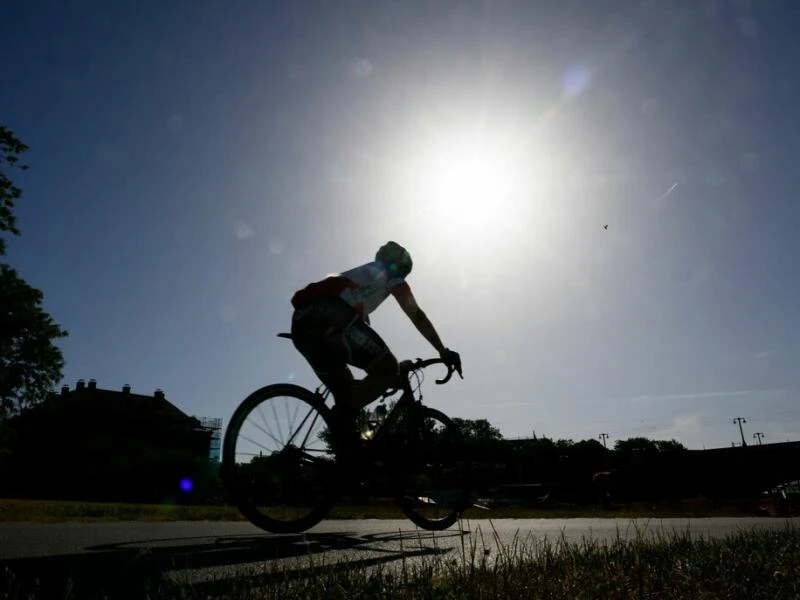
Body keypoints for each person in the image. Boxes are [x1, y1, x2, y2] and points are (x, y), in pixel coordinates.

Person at [289, 241, 462, 432]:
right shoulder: (391, 276)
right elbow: (416, 315)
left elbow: (365, 338)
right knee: (386, 369)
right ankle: (346, 424)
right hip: (331, 318)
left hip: (302, 327)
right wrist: (441, 350)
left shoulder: (363, 283)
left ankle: (347, 454)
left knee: (347, 401)